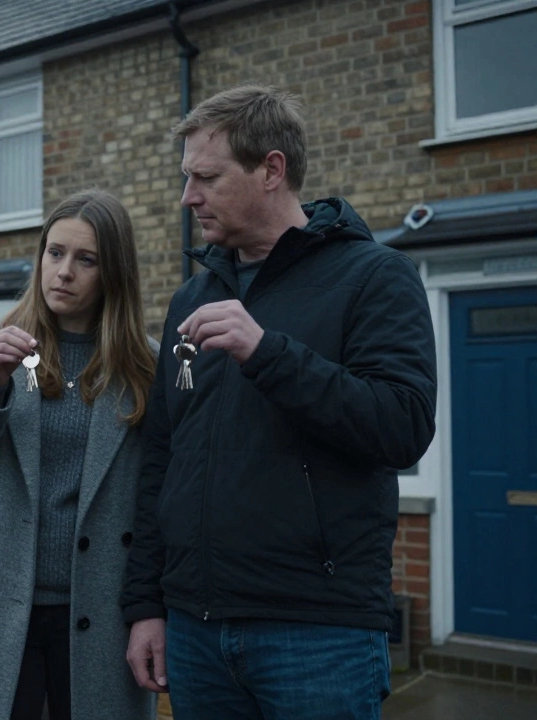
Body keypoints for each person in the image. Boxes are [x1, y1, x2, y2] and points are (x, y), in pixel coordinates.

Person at [119, 84, 437, 720]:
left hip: (317, 633)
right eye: (187, 178)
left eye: (206, 177)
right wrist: (146, 606)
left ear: (271, 169)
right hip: (195, 628)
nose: (189, 198)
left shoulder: (374, 278)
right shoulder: (190, 301)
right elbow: (164, 453)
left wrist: (267, 353)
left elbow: (401, 424)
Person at [0, 189, 157, 720]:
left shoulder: (145, 368)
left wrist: (151, 611)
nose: (64, 271)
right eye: (55, 253)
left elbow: (158, 504)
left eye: (85, 259)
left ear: (113, 272)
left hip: (99, 612)